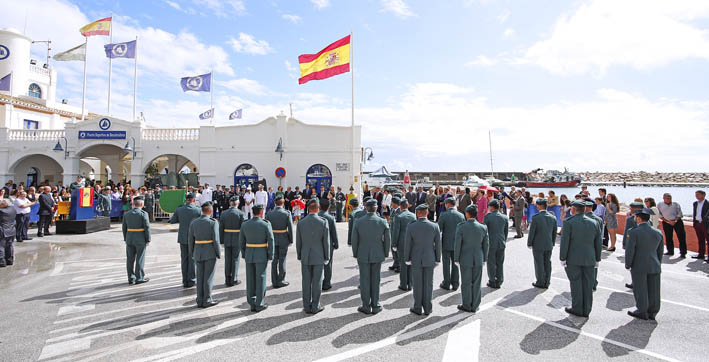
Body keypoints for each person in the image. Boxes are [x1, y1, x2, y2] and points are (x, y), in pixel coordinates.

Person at [560, 200, 602, 318]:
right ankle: (587, 309)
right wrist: (597, 258)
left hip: (574, 258)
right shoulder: (594, 222)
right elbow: (597, 243)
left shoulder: (569, 222)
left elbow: (565, 242)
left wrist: (563, 257)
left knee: (576, 283)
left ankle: (577, 308)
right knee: (588, 284)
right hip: (590, 257)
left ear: (573, 209)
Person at [351, 199, 391, 314]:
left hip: (362, 253)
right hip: (378, 253)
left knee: (364, 280)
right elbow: (387, 239)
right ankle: (376, 304)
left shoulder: (358, 221)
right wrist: (385, 253)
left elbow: (354, 240)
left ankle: (366, 306)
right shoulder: (382, 221)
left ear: (366, 208)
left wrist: (355, 253)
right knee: (376, 279)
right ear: (376, 208)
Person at [625, 208, 664, 320]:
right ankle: (653, 311)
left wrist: (628, 263)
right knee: (654, 289)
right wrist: (658, 263)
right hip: (654, 264)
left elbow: (630, 250)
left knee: (641, 289)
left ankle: (642, 310)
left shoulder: (634, 232)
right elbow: (659, 252)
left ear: (639, 218)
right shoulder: (657, 232)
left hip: (639, 264)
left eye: (636, 216)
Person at [404, 204, 441, 315]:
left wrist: (407, 258)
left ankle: (418, 307)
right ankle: (428, 308)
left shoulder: (411, 226)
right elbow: (438, 244)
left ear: (417, 213)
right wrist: (438, 258)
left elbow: (408, 245)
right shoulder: (434, 226)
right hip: (430, 258)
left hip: (416, 258)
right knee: (428, 284)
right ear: (427, 213)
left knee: (417, 284)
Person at [296, 199, 330, 314]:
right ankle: (315, 305)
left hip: (305, 255)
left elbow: (298, 242)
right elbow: (326, 242)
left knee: (306, 282)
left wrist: (300, 255)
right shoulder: (323, 222)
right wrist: (327, 256)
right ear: (318, 208)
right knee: (317, 282)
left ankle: (306, 306)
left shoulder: (301, 222)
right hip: (319, 256)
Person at [240, 204, 274, 312]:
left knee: (250, 279)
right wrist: (270, 254)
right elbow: (271, 240)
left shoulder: (245, 224)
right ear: (261, 212)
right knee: (261, 278)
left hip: (249, 253)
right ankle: (259, 303)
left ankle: (252, 303)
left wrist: (244, 253)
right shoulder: (265, 224)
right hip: (261, 254)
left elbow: (241, 241)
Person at [454, 204, 488, 312]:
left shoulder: (461, 226)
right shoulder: (483, 227)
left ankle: (467, 304)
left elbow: (457, 244)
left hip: (465, 258)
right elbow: (486, 245)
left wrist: (456, 258)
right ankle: (475, 305)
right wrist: (484, 258)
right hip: (478, 257)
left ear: (467, 214)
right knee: (477, 282)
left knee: (466, 282)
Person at [188, 202, 220, 308]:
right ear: (210, 211)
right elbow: (215, 240)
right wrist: (218, 253)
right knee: (208, 277)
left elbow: (190, 240)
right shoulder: (213, 222)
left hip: (198, 252)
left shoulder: (194, 222)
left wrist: (192, 252)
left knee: (200, 277)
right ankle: (207, 299)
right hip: (209, 251)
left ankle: (199, 299)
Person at [169, 193, 201, 288]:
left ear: (186, 200)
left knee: (184, 259)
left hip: (183, 237)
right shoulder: (197, 210)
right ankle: (191, 279)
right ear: (194, 200)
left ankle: (185, 279)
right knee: (192, 259)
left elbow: (172, 221)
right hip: (194, 236)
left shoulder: (179, 209)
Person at [528, 199, 557, 289]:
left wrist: (529, 243)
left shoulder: (536, 217)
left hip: (538, 244)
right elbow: (554, 232)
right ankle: (547, 281)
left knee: (539, 263)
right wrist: (552, 242)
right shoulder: (553, 217)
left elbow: (532, 232)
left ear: (539, 206)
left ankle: (540, 281)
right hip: (548, 243)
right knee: (547, 262)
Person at [121, 196, 151, 285]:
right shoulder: (143, 213)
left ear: (134, 204)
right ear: (141, 204)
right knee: (140, 258)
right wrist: (148, 238)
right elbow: (147, 227)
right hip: (140, 238)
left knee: (130, 259)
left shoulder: (127, 214)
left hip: (129, 237)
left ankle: (130, 277)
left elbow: (124, 227)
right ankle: (139, 277)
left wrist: (126, 238)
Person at [266, 195, 294, 288]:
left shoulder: (269, 213)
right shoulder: (286, 213)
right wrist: (291, 239)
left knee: (274, 260)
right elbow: (290, 227)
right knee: (282, 259)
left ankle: (274, 281)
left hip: (273, 238)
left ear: (275, 203)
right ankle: (281, 280)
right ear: (283, 203)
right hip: (283, 238)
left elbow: (267, 228)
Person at [438, 198, 464, 291]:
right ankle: (455, 283)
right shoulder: (461, 215)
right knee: (456, 263)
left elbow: (439, 229)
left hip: (446, 242)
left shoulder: (443, 215)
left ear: (448, 204)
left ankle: (446, 282)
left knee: (446, 263)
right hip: (457, 243)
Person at [219, 196, 244, 287]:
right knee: (235, 259)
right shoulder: (241, 213)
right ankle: (234, 278)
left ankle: (227, 278)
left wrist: (221, 240)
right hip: (237, 238)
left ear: (230, 203)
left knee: (227, 259)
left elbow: (220, 228)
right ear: (237, 203)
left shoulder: (224, 213)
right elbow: (243, 229)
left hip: (226, 238)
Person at [392, 199, 416, 291]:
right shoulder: (413, 216)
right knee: (410, 263)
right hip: (412, 243)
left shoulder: (398, 216)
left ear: (400, 206)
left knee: (403, 264)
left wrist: (394, 244)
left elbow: (396, 232)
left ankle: (403, 284)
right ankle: (410, 284)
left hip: (402, 243)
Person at [483, 200, 508, 288]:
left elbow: (484, 232)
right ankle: (500, 280)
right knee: (500, 262)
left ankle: (492, 280)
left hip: (491, 242)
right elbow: (506, 232)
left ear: (492, 207)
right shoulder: (504, 217)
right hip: (501, 242)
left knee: (491, 262)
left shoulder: (488, 217)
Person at [318, 198, 339, 290]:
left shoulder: (316, 215)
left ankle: (317, 282)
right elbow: (334, 233)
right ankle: (327, 283)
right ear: (328, 207)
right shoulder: (330, 218)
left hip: (317, 244)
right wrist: (336, 244)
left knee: (317, 265)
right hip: (328, 244)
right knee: (328, 265)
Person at [657, 193, 686, 257]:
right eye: (667, 198)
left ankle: (683, 252)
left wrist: (675, 221)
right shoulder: (659, 205)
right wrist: (667, 221)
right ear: (664, 198)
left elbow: (680, 214)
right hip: (666, 222)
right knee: (668, 237)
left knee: (681, 237)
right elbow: (659, 215)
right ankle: (670, 251)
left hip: (677, 222)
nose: (669, 199)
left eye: (670, 198)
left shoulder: (676, 204)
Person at [692, 190, 709, 261]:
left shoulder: (707, 204)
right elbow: (695, 213)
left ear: (703, 195)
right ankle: (701, 254)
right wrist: (694, 222)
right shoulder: (695, 203)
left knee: (708, 240)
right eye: (696, 195)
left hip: (705, 224)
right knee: (700, 239)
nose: (697, 196)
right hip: (697, 223)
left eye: (698, 195)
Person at [0, 199, 16, 267]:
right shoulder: (13, 209)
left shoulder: (1, 211)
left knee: (1, 247)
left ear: (4, 204)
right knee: (10, 246)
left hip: (3, 230)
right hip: (12, 230)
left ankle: (2, 262)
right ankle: (10, 260)